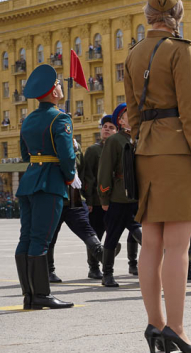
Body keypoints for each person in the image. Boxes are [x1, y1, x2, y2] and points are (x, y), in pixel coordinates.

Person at [123, 0, 191, 353]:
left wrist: (145, 141)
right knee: (178, 246)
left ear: (147, 17)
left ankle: (154, 325)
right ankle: (176, 328)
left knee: (151, 244)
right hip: (177, 151)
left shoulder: (132, 54)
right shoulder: (180, 50)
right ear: (176, 16)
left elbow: (133, 114)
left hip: (145, 151)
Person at [14, 64, 74, 310]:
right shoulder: (60, 118)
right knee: (41, 239)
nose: (60, 87)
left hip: (29, 181)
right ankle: (41, 295)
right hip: (50, 182)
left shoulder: (28, 119)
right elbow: (67, 156)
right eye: (58, 85)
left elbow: (24, 155)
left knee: (26, 237)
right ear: (54, 92)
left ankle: (29, 294)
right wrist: (69, 176)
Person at [47, 135, 107, 282]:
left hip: (74, 197)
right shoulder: (48, 144)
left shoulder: (76, 145)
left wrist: (87, 197)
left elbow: (83, 171)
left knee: (86, 228)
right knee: (50, 236)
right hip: (54, 196)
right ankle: (48, 271)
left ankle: (102, 256)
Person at [98, 103, 143, 287]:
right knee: (112, 236)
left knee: (141, 233)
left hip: (137, 196)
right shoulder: (115, 140)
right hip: (118, 196)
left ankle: (145, 266)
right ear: (121, 121)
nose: (133, 118)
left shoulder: (141, 139)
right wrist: (104, 197)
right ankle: (107, 273)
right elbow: (105, 170)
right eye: (128, 115)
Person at [83, 114, 118, 278]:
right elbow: (87, 177)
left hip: (115, 200)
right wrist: (89, 200)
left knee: (111, 234)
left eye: (111, 128)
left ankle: (108, 266)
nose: (107, 130)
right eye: (105, 127)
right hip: (97, 202)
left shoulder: (119, 148)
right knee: (96, 234)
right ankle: (93, 267)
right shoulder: (93, 150)